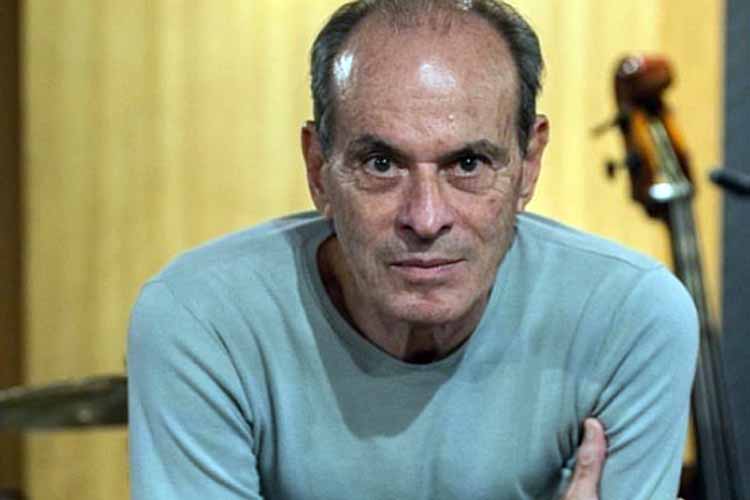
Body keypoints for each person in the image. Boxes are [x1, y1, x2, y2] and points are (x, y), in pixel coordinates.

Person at [127, 1, 698, 498]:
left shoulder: (630, 321)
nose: (425, 218)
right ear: (318, 168)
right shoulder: (202, 322)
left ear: (529, 163)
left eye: (468, 163)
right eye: (381, 164)